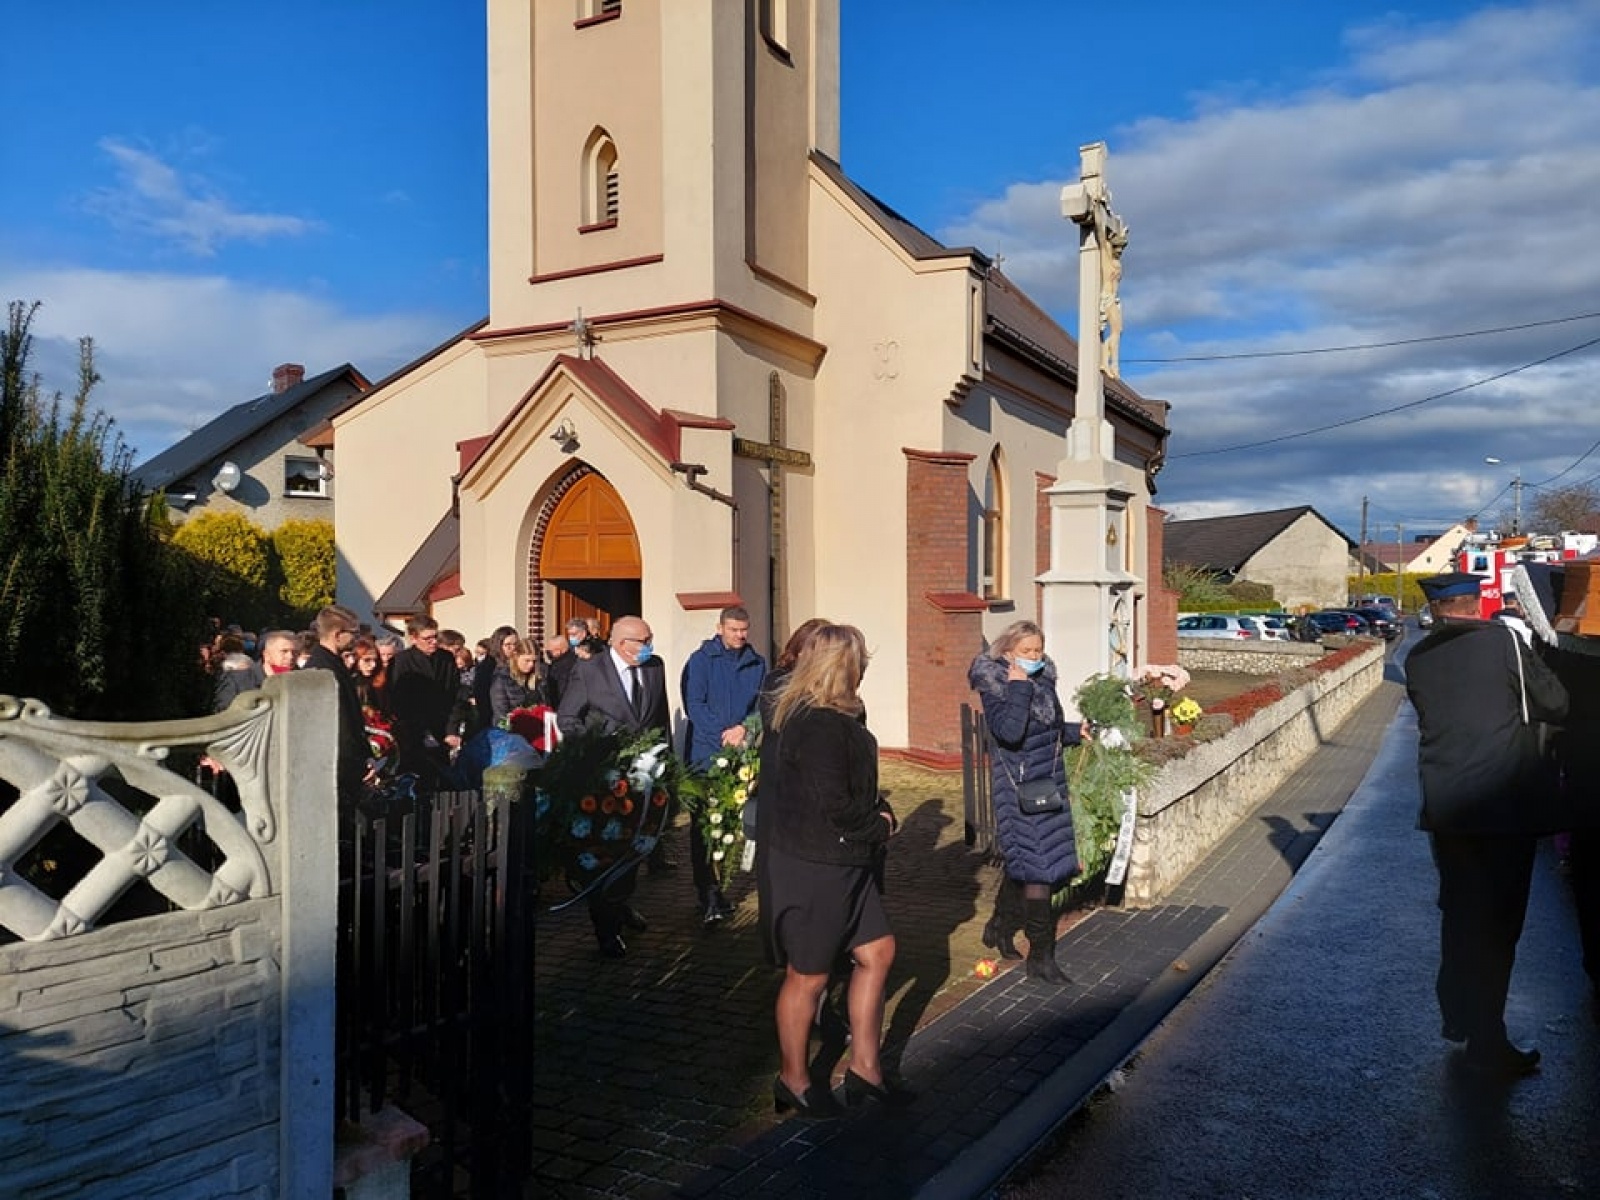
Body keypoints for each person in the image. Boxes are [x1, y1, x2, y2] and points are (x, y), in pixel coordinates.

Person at [1406, 571, 1568, 1077]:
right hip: (1502, 809)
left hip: (1447, 811)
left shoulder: (1417, 657)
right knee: (1499, 928)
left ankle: (1460, 1018)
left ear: (1436, 609)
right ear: (1477, 604)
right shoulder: (1505, 643)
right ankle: (1488, 1041)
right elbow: (1555, 702)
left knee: (1461, 917)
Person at [762, 623, 903, 1117]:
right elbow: (836, 805)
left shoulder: (843, 714)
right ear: (842, 666)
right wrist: (880, 825)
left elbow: (856, 788)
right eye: (861, 659)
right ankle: (793, 1079)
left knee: (879, 951)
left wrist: (878, 810)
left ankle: (865, 1069)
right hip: (817, 864)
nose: (866, 667)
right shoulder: (816, 723)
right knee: (809, 976)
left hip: (847, 860)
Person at [967, 620, 1082, 984]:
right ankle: (1041, 957)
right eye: (1026, 651)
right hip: (1019, 793)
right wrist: (1019, 688)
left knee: (1036, 864)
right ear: (1007, 652)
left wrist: (1077, 732)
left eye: (1038, 650)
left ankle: (999, 927)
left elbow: (1048, 727)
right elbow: (1010, 732)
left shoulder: (1045, 679)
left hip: (1048, 786)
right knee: (1039, 871)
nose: (1034, 657)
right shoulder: (997, 683)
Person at [556, 615, 669, 958]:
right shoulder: (590, 671)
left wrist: (667, 770)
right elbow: (567, 718)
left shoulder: (654, 668)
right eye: (644, 640)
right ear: (623, 643)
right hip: (602, 781)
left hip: (643, 781)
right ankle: (605, 928)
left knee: (634, 849)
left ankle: (620, 905)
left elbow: (660, 719)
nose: (651, 645)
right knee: (604, 853)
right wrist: (597, 749)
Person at [681, 605, 767, 927]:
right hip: (705, 756)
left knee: (730, 825)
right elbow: (695, 705)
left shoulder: (757, 663)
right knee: (706, 826)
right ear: (720, 628)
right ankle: (708, 893)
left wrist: (746, 728)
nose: (740, 635)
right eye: (733, 630)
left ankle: (721, 888)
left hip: (740, 755)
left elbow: (762, 705)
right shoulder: (701, 661)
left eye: (744, 630)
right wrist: (722, 735)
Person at [298, 604, 374, 813]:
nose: (356, 639)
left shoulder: (332, 663)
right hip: (337, 764)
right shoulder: (324, 668)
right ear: (338, 634)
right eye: (354, 633)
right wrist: (357, 763)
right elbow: (340, 722)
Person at [388, 615, 462, 786]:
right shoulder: (401, 661)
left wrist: (452, 729)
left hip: (442, 728)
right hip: (413, 732)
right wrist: (419, 731)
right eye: (427, 638)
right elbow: (398, 701)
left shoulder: (446, 659)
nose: (433, 642)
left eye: (435, 637)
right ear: (414, 638)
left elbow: (456, 696)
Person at [490, 637, 543, 724]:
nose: (531, 665)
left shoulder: (538, 678)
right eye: (527, 660)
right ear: (516, 656)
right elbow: (500, 715)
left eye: (534, 661)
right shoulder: (502, 679)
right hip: (511, 732)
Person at [541, 633, 573, 709]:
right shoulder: (575, 659)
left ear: (558, 651)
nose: (547, 653)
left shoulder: (559, 667)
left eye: (549, 651)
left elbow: (559, 691)